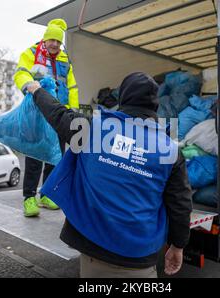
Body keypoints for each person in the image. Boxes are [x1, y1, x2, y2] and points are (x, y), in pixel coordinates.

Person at [27, 72, 193, 278]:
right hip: (140, 256)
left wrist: (37, 91)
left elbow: (58, 113)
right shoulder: (170, 149)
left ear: (122, 98)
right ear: (155, 104)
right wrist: (178, 246)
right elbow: (180, 204)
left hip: (93, 250)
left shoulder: (92, 129)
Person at [13, 19, 79, 217]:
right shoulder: (31, 53)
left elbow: (72, 87)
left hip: (59, 114)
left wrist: (72, 111)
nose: (55, 45)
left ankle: (46, 194)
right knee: (35, 157)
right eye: (52, 40)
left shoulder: (64, 60)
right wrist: (29, 86)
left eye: (58, 42)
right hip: (37, 111)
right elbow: (20, 74)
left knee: (55, 157)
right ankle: (29, 198)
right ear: (45, 38)